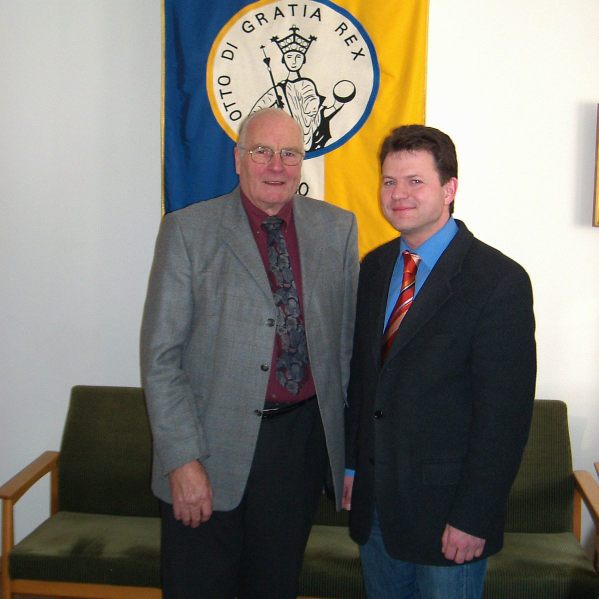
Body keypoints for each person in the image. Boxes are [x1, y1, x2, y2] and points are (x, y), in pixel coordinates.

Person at [140, 107, 359, 599]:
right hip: (208, 452)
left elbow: (346, 352)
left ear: (303, 162)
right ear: (238, 159)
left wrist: (348, 457)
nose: (276, 165)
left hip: (298, 451)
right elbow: (161, 359)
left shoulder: (337, 230)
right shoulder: (187, 232)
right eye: (262, 151)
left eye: (289, 153)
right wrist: (182, 460)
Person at [343, 124, 536, 599]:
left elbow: (504, 418)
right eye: (389, 181)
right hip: (378, 509)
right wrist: (352, 469)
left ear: (449, 189)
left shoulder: (498, 281)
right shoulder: (373, 268)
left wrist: (475, 515)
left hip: (449, 518)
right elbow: (364, 383)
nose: (398, 194)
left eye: (415, 181)